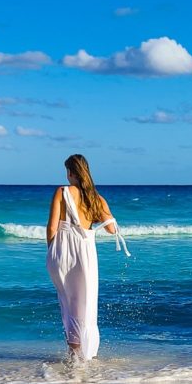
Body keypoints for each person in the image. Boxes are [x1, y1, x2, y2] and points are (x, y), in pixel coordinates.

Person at [45, 154, 128, 364]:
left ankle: (74, 356)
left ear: (71, 172)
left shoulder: (62, 192)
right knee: (86, 302)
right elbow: (111, 229)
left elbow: (52, 227)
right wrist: (102, 206)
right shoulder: (97, 199)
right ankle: (84, 356)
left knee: (68, 302)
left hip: (63, 252)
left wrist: (51, 252)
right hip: (86, 253)